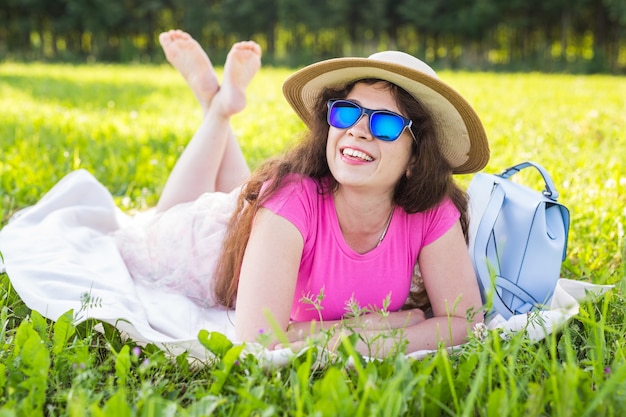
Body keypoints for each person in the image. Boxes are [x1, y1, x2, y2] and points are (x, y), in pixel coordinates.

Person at [113, 29, 491, 357]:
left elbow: (467, 323)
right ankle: (217, 110)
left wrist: (367, 342)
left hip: (269, 230)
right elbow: (258, 342)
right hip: (211, 249)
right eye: (346, 112)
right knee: (166, 220)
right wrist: (389, 324)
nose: (358, 130)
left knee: (241, 193)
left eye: (386, 123)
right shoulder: (292, 199)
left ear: (415, 158)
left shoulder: (430, 211)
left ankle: (218, 106)